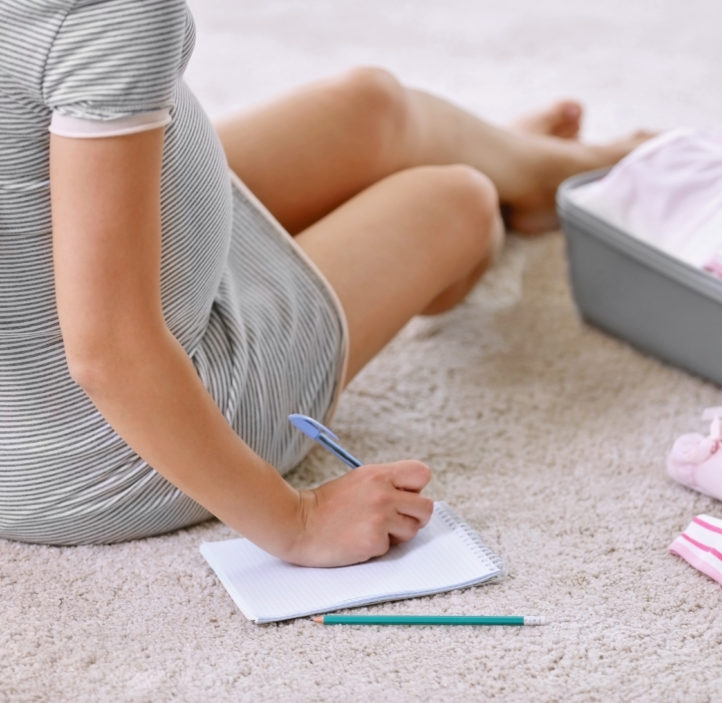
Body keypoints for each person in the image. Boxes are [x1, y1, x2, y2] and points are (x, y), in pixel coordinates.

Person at [0, 0, 648, 567]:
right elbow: (110, 349)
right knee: (457, 200)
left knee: (371, 103)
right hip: (110, 440)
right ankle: (512, 189)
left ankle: (542, 169)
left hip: (85, 278)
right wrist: (297, 522)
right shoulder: (100, 10)